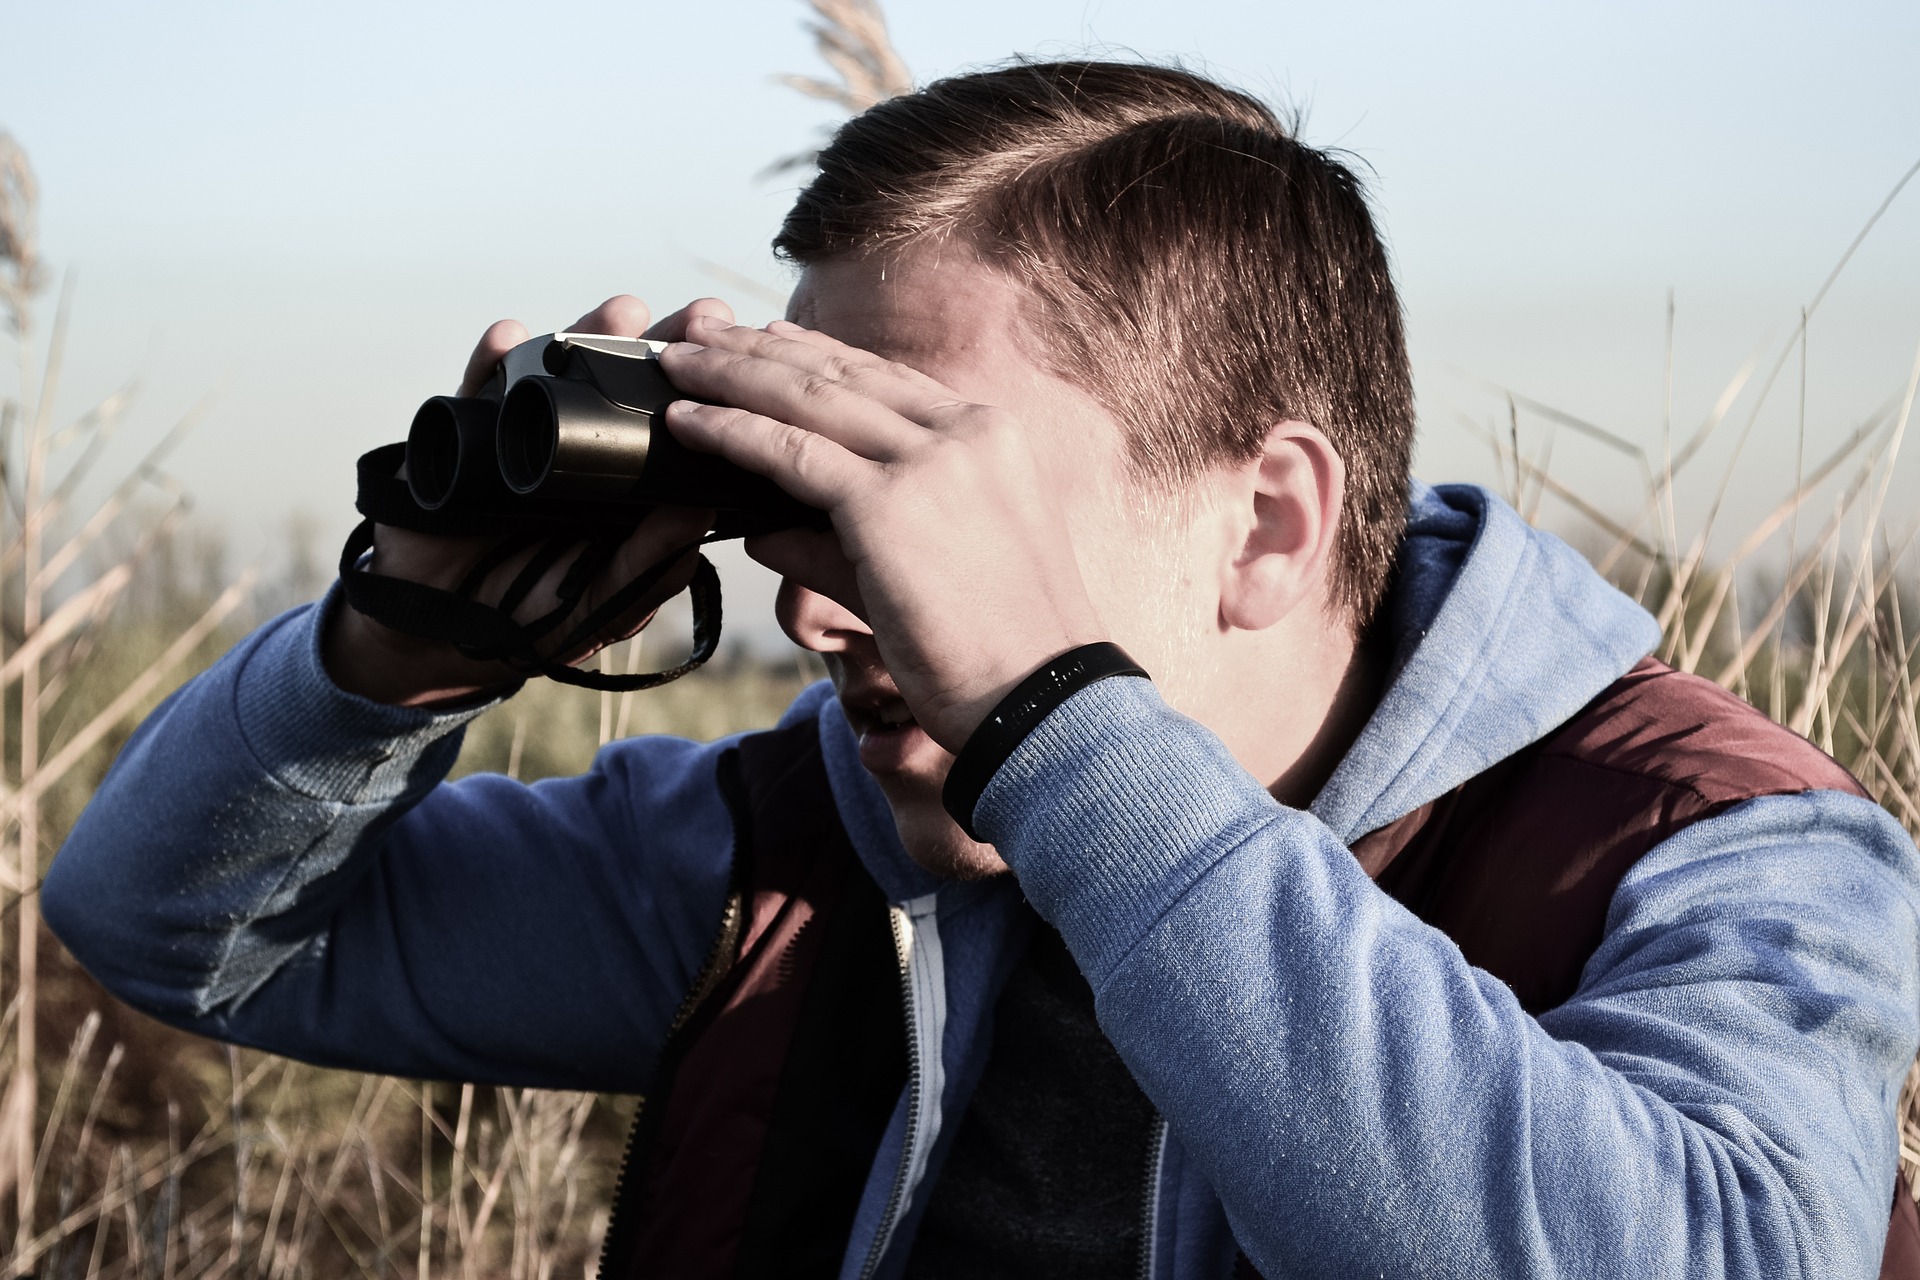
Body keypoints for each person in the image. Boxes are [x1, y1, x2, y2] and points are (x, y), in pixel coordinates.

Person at [45, 60, 1920, 1279]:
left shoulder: (1712, 850)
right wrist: (404, 639)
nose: (831, 612)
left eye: (924, 498)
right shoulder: (811, 844)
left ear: (1268, 519)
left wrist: (1052, 722)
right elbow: (176, 923)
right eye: (814, 503)